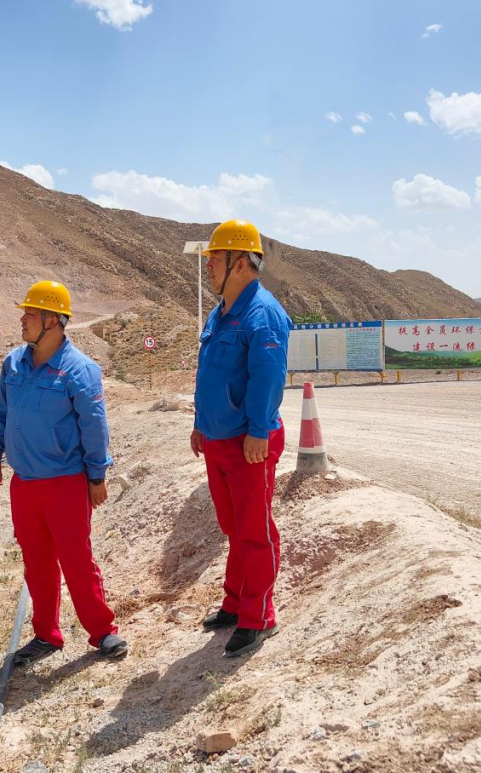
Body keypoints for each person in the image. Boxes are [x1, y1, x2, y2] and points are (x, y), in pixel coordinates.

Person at [0, 281, 127, 668]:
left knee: (76, 559)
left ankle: (103, 631)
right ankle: (46, 634)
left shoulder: (79, 369)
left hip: (65, 482)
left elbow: (94, 426)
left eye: (29, 314)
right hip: (25, 484)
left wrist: (96, 477)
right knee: (37, 562)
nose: (22, 320)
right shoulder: (14, 363)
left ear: (52, 321)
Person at [191, 219, 291, 657]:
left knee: (254, 531)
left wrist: (258, 430)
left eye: (214, 258)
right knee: (234, 527)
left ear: (239, 262)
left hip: (249, 441)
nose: (208, 266)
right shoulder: (222, 312)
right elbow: (211, 375)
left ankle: (259, 616)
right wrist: (201, 423)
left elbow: (268, 377)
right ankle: (235, 603)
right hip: (219, 440)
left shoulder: (262, 313)